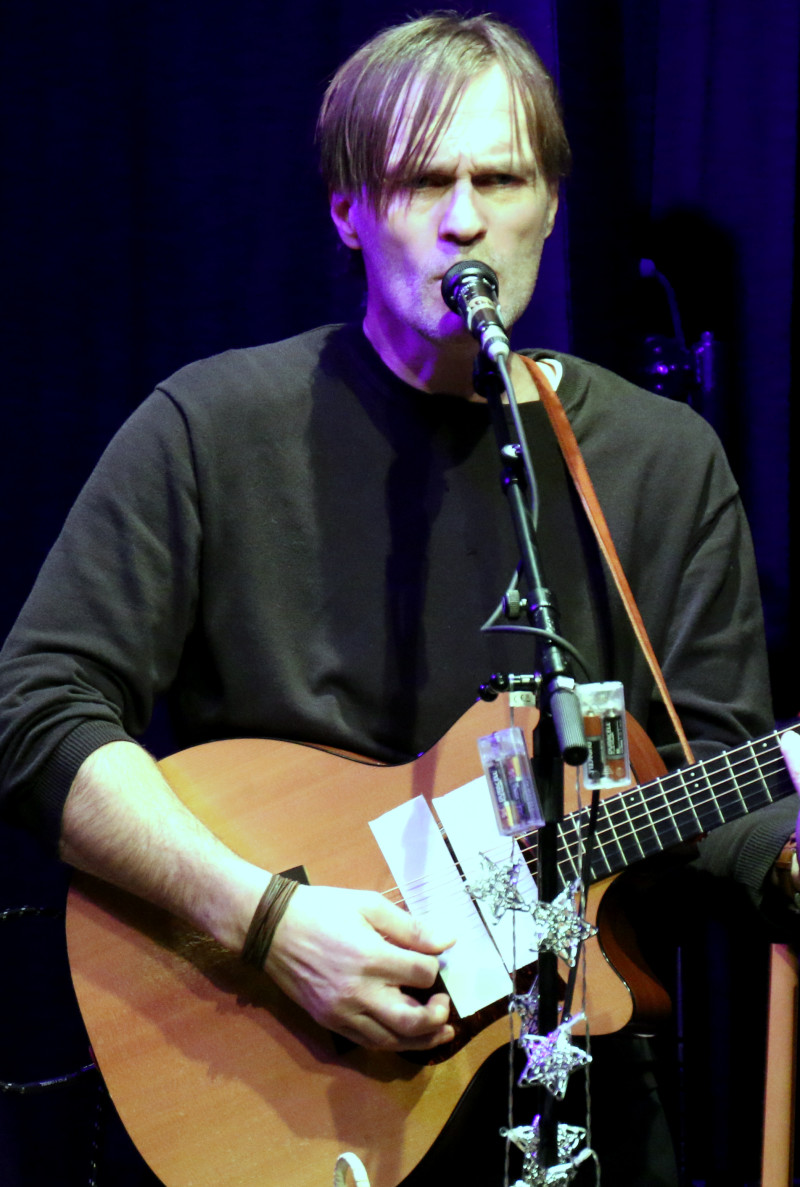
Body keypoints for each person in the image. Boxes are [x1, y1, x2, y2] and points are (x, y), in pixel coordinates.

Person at [0, 12, 797, 1185]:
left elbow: (714, 763)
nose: (463, 218)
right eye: (423, 180)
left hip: (576, 1102)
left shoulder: (659, 460)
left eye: (499, 178)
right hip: (278, 1078)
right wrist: (267, 919)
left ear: (548, 206)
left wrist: (782, 853)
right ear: (348, 211)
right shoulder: (211, 428)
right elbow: (36, 709)